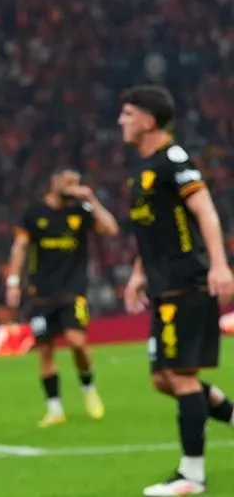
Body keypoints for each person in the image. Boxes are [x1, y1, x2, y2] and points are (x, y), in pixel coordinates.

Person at [119, 85, 234, 496]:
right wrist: (138, 273)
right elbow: (152, 229)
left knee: (182, 377)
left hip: (187, 282)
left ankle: (192, 476)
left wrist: (219, 265)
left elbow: (205, 210)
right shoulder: (143, 171)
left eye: (128, 114)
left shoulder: (174, 160)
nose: (120, 121)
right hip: (163, 285)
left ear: (149, 121)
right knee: (163, 379)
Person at [4, 168, 118, 427]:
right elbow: (20, 246)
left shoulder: (81, 211)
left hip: (73, 291)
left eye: (77, 182)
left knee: (77, 341)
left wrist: (92, 200)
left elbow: (111, 229)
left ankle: (88, 389)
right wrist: (13, 282)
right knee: (45, 350)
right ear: (54, 183)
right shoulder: (34, 213)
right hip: (41, 295)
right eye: (69, 182)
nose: (74, 187)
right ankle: (54, 409)